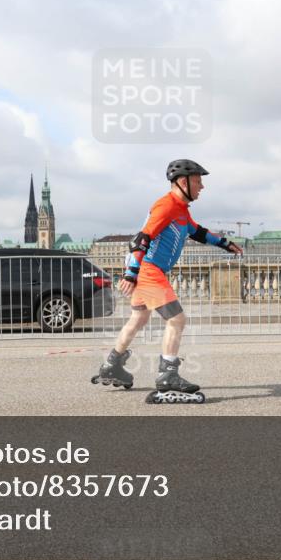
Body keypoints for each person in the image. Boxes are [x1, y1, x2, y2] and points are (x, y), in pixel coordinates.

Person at [92, 159, 243, 403]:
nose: (202, 187)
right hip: (150, 270)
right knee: (177, 319)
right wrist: (131, 273)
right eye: (198, 181)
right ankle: (168, 375)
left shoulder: (182, 210)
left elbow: (199, 232)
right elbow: (142, 238)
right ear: (183, 182)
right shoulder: (166, 206)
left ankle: (112, 365)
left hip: (149, 271)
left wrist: (225, 244)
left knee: (138, 318)